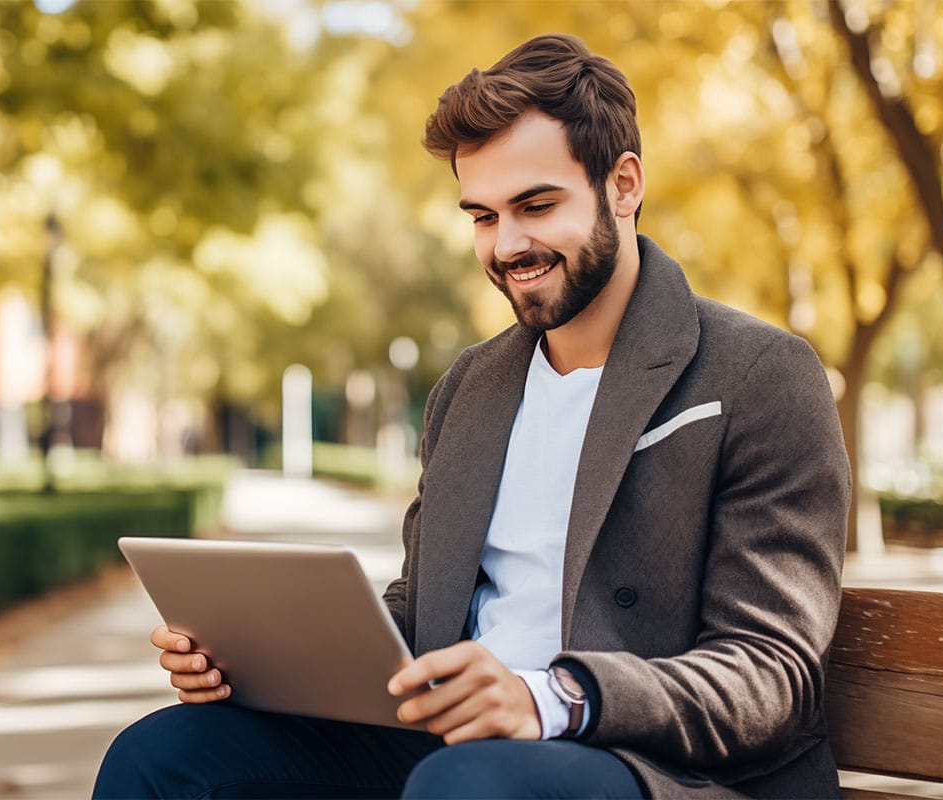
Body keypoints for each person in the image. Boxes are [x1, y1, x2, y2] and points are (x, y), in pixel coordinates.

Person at [94, 33, 849, 799]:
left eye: (536, 205)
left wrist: (549, 697)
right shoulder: (472, 387)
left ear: (623, 185)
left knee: (471, 783)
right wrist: (261, 661)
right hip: (449, 748)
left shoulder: (757, 374)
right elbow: (423, 611)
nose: (508, 245)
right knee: (163, 756)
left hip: (652, 766)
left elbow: (769, 673)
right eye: (482, 216)